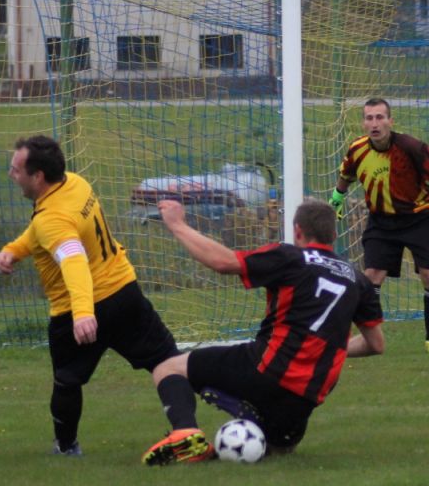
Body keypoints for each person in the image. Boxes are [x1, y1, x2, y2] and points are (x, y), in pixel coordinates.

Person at [0, 135, 213, 462]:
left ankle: (66, 448)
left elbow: (73, 259)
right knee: (166, 361)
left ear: (37, 176)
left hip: (78, 309)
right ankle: (186, 430)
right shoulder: (76, 184)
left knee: (67, 380)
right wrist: (14, 250)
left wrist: (83, 313)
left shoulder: (51, 218)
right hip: (124, 292)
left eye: (15, 170)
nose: (11, 174)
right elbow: (41, 234)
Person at [141, 197, 384, 466]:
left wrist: (178, 225)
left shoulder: (290, 257)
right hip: (304, 399)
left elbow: (223, 262)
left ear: (298, 231)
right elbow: (376, 344)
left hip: (266, 371)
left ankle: (185, 432)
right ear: (334, 235)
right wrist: (327, 350)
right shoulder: (358, 279)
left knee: (167, 368)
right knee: (279, 452)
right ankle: (250, 415)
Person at [329, 97, 429, 356]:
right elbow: (346, 174)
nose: (374, 123)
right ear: (363, 123)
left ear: (390, 121)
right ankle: (369, 340)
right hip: (381, 221)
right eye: (369, 118)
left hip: (420, 217)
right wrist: (337, 198)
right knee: (372, 277)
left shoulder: (411, 147)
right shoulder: (357, 150)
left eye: (379, 117)